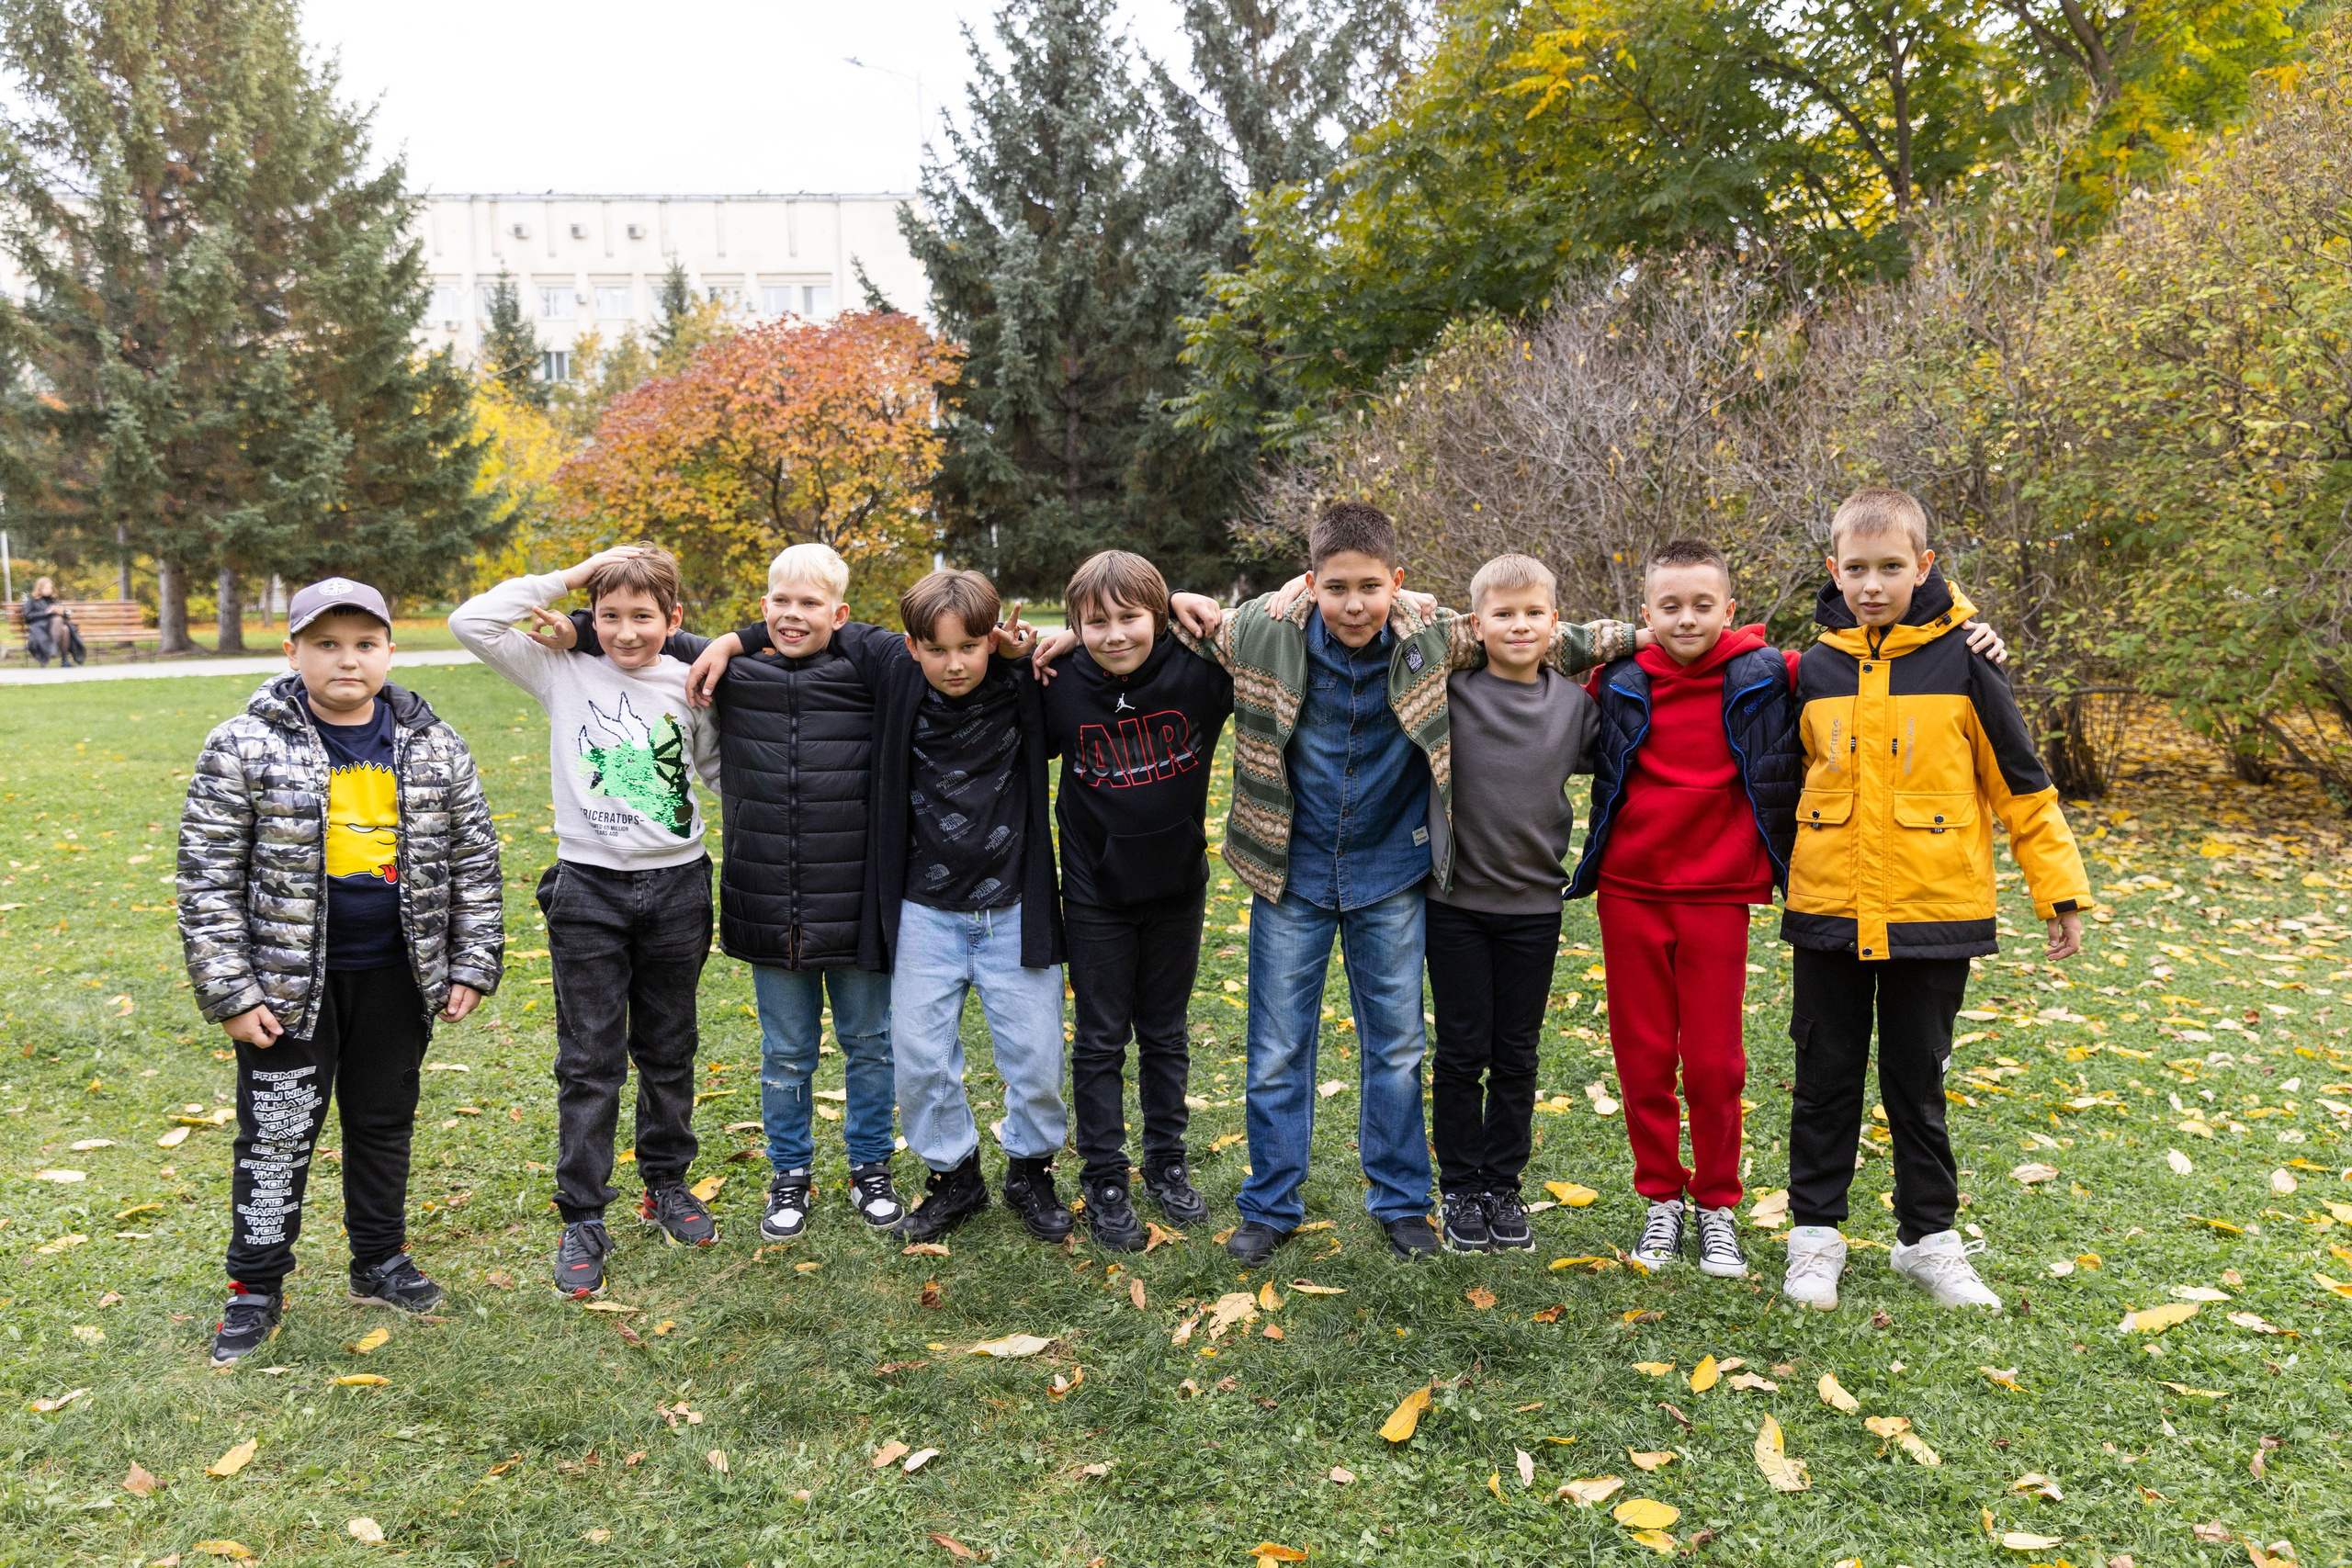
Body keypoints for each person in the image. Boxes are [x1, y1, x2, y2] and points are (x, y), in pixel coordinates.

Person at [1168, 502, 1639, 1265]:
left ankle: (1399, 1201)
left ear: (1397, 581)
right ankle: (1270, 1202)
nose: (1354, 605)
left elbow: (1551, 636)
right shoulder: (1262, 631)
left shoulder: (1429, 637)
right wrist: (1148, 605)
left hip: (1389, 867)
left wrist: (1657, 635)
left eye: (1370, 587)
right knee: (1278, 1048)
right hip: (1289, 871)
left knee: (1396, 1047)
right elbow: (1154, 631)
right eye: (1336, 588)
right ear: (1310, 583)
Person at [177, 577, 503, 1366]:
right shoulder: (243, 744)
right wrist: (232, 991)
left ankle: (379, 1258)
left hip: (398, 977)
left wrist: (471, 958)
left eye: (364, 643)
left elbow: (474, 859)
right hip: (286, 991)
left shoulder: (434, 745)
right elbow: (206, 877)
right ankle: (255, 1285)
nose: (346, 660)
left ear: (390, 650)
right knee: (277, 1135)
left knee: (384, 1122)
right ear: (292, 652)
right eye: (326, 644)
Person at [1778, 489, 2089, 1313]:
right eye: (1856, 568)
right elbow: (1780, 780)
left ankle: (1928, 1240)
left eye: (1891, 567)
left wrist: (2058, 891)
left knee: (1918, 1081)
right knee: (1824, 1077)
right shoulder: (1811, 668)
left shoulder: (1967, 661)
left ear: (1924, 566)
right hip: (1830, 910)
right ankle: (1814, 1237)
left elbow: (2022, 784)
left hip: (1935, 911)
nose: (1872, 584)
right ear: (1833, 569)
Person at [542, 544, 907, 1242]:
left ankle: (870, 1165)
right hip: (768, 900)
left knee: (870, 1042)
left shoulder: (866, 670)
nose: (793, 615)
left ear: (839, 613)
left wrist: (740, 635)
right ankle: (789, 1172)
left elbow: (900, 643)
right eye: (781, 603)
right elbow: (639, 631)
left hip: (857, 904)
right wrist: (584, 625)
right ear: (764, 605)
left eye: (811, 604)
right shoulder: (732, 672)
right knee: (786, 1051)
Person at [683, 569, 1059, 1245]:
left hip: (1013, 908)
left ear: (992, 640)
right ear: (912, 647)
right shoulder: (894, 670)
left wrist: (1043, 645)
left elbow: (1107, 647)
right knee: (920, 1061)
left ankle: (1031, 1171)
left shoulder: (1023, 679)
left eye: (969, 647)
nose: (954, 663)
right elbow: (817, 623)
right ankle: (955, 1175)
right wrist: (734, 640)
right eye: (937, 649)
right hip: (922, 911)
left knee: (1035, 1059)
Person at [450, 547, 722, 1298]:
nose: (626, 631)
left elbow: (715, 771)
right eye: (609, 615)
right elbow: (471, 621)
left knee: (669, 1046)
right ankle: (583, 1213)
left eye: (643, 616)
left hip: (678, 886)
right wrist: (576, 574)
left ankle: (666, 1182)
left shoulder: (688, 680)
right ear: (589, 616)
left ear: (673, 619)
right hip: (587, 891)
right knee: (590, 1057)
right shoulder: (558, 668)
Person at [1026, 551, 1234, 1248]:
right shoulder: (1057, 682)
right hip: (1095, 892)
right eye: (1096, 622)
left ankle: (1167, 1163)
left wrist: (1185, 601)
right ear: (1074, 625)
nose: (1115, 635)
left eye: (1130, 617)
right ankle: (1105, 1177)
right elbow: (972, 663)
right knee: (1100, 1037)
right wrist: (1036, 648)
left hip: (1178, 884)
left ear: (1158, 616)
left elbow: (1283, 621)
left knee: (1166, 1034)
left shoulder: (1201, 671)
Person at [1419, 554, 1603, 1255]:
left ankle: (1502, 1184)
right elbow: (1409, 635)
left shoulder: (1575, 706)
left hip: (1534, 907)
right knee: (1462, 1050)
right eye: (1503, 613)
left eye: (1533, 613)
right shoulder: (1448, 693)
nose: (1519, 625)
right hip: (1455, 904)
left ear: (1556, 623)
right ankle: (1460, 1186)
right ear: (1476, 624)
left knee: (1517, 1054)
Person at [22, 577, 85, 667]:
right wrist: (47, 613)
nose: (49, 590)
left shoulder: (54, 600)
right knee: (60, 622)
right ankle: (57, 651)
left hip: (56, 628)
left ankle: (61, 656)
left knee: (65, 628)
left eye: (50, 588)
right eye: (46, 588)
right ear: (39, 588)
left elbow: (65, 614)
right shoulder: (32, 601)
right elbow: (28, 617)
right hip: (40, 628)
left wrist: (62, 613)